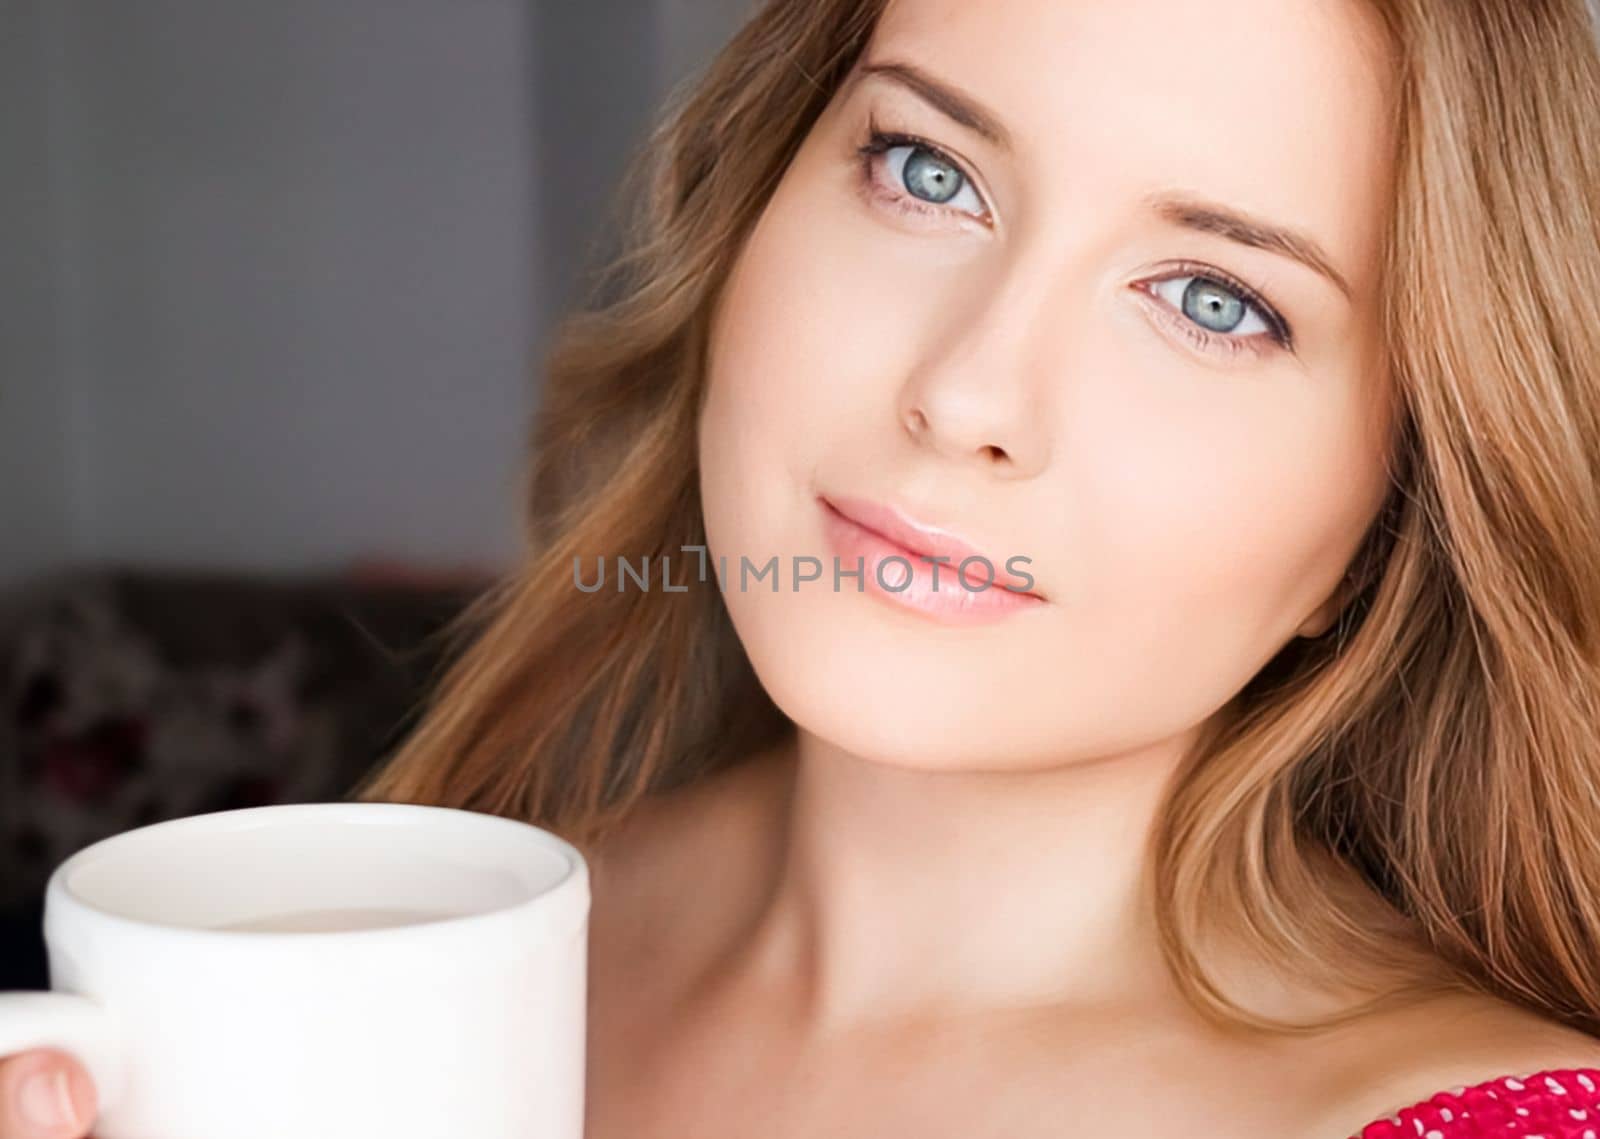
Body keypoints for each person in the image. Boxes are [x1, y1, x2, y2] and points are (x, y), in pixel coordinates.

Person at [8, 0, 1600, 1135]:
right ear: (755, 199)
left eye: (1213, 301)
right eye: (928, 173)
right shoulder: (427, 944)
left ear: (1394, 510)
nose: (968, 393)